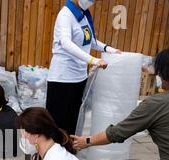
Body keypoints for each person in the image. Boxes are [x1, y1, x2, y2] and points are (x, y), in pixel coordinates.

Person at [47, 0, 121, 135]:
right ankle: (53, 153)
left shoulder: (83, 15)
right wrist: (92, 60)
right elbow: (65, 42)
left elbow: (90, 40)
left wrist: (109, 49)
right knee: (58, 123)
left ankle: (68, 151)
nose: (91, 2)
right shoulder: (65, 15)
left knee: (72, 121)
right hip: (63, 78)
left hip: (79, 77)